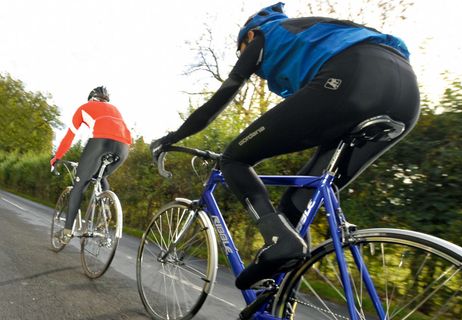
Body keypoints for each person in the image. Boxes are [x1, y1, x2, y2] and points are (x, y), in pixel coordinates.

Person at [150, 2, 420, 290]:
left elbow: (217, 103)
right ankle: (276, 291)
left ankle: (280, 243)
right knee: (298, 202)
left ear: (249, 37)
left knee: (233, 160)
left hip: (353, 76)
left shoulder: (264, 34)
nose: (252, 67)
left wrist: (171, 138)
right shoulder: (311, 33)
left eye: (241, 50)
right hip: (407, 96)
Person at [51, 86, 131, 244]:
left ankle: (67, 233)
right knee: (101, 175)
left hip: (101, 142)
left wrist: (57, 157)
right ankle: (105, 212)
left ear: (91, 98)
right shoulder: (115, 109)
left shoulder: (84, 108)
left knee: (79, 186)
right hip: (124, 147)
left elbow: (69, 136)